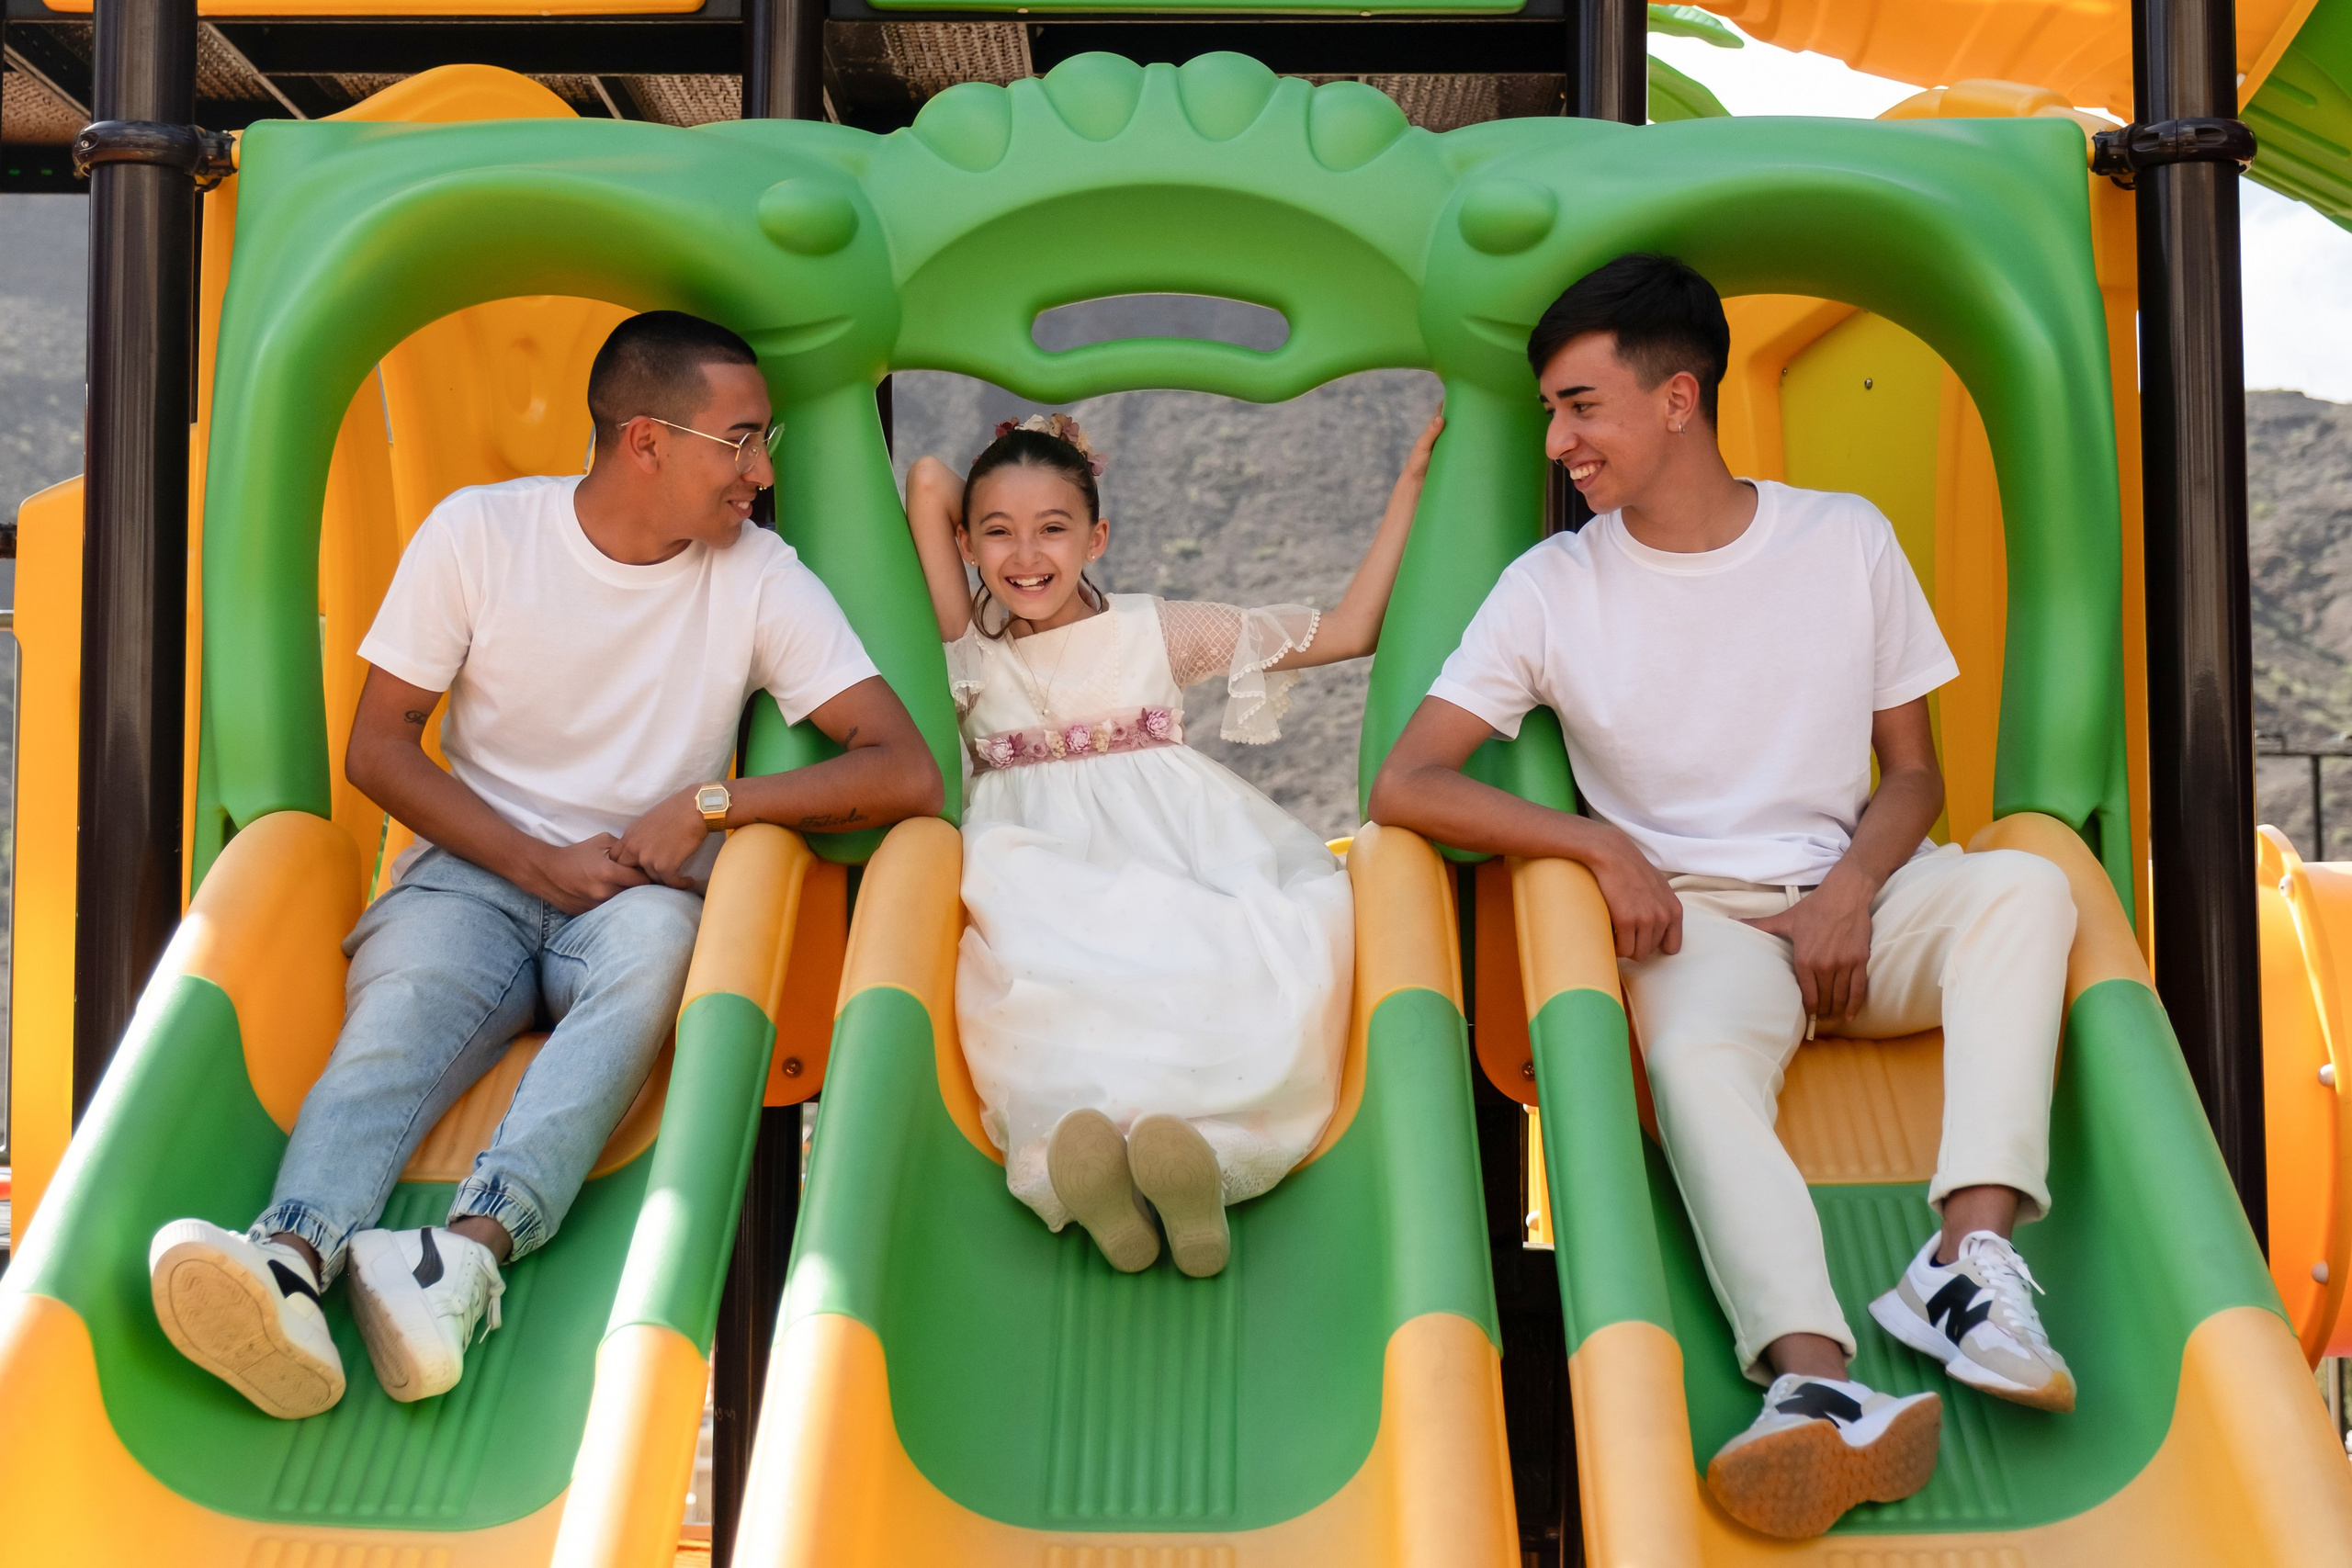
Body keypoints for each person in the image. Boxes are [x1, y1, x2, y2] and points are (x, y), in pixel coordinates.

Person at [1367, 254, 2078, 1540]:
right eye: (1549, 411)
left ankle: (1966, 1259)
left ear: (1679, 397)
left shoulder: (1842, 536)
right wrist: (1600, 846)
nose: (1559, 438)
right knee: (1690, 1050)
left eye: (1580, 405)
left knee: (2027, 886)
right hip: (1701, 926)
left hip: (1864, 898)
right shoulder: (1554, 588)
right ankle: (1817, 1377)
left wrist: (1854, 888)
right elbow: (1407, 781)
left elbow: (1915, 775)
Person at [148, 310, 942, 1419]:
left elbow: (907, 770)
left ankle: (460, 1260)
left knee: (663, 950)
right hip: (477, 872)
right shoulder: (481, 535)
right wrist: (531, 858)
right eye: (743, 441)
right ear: (647, 442)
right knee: (406, 1005)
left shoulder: (759, 576)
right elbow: (377, 748)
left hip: (632, 895)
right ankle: (290, 1263)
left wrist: (713, 804)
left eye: (766, 445)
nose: (761, 474)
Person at [903, 409, 1440, 1278]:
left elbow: (1348, 630)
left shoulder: (1153, 630)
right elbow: (927, 478)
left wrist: (1413, 487)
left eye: (1054, 528)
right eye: (996, 532)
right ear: (965, 540)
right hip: (1038, 869)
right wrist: (1026, 466)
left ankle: (1193, 1166)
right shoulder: (964, 640)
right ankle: (1098, 1173)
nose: (1025, 555)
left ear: (1098, 534)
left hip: (1175, 847)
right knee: (1049, 988)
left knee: (1240, 944)